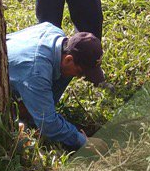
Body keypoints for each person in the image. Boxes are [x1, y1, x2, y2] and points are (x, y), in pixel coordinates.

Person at [7, 21, 108, 153]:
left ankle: (32, 111)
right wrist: (83, 142)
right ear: (68, 59)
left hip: (21, 71)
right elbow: (47, 124)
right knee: (21, 132)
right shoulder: (37, 72)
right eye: (80, 72)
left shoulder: (56, 35)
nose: (79, 77)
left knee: (65, 73)